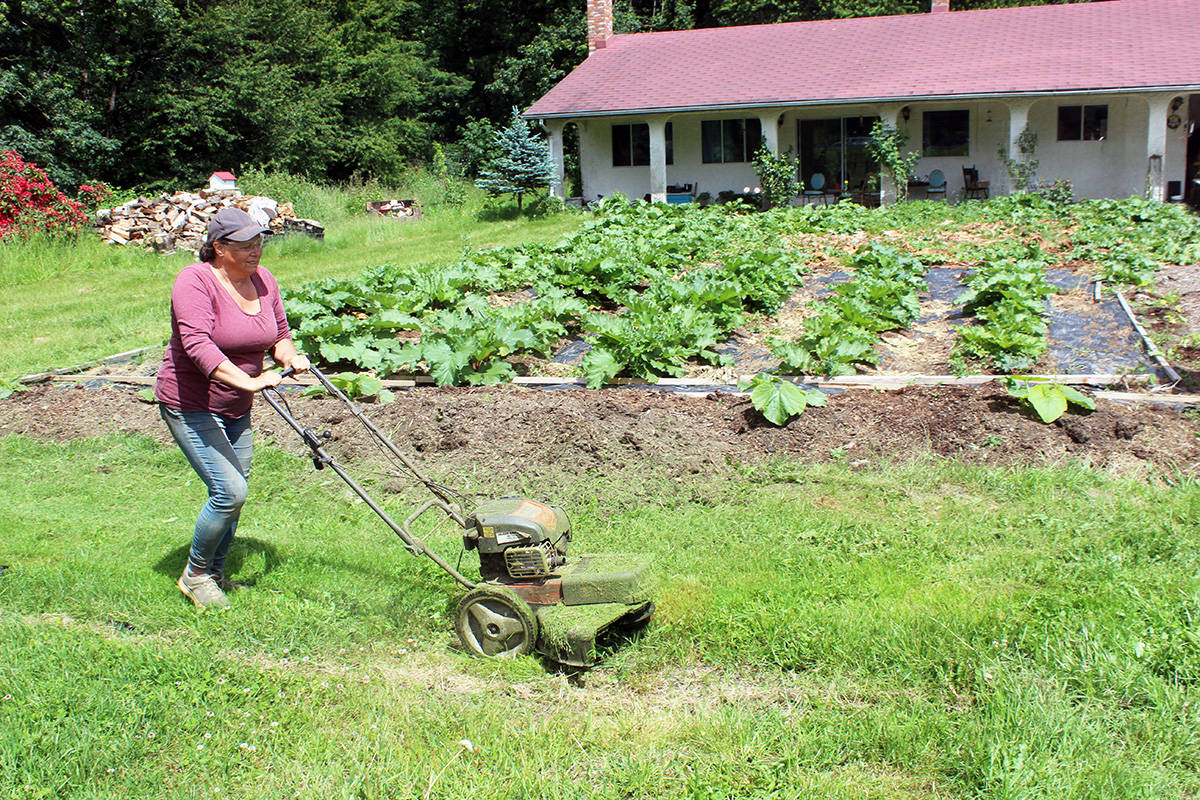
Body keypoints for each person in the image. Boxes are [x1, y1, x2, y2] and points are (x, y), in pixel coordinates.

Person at [155, 207, 310, 609]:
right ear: (219, 247)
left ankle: (216, 572)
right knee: (230, 491)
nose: (256, 251)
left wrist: (289, 356)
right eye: (245, 245)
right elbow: (198, 346)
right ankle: (196, 574)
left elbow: (280, 334)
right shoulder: (194, 281)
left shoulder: (263, 280)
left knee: (234, 492)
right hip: (191, 402)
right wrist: (253, 381)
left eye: (259, 242)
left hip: (235, 406)